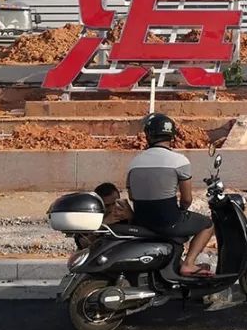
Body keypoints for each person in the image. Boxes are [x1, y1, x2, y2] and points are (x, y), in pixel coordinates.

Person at [126, 113, 215, 277]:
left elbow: (132, 195)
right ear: (172, 136)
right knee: (207, 224)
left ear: (148, 135)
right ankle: (188, 264)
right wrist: (181, 210)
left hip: (141, 220)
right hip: (167, 221)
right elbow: (187, 199)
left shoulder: (134, 162)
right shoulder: (179, 161)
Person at [76, 182, 134, 249]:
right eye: (107, 205)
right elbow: (83, 245)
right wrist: (102, 225)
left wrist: (131, 217)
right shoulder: (89, 218)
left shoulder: (124, 214)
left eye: (115, 203)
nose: (112, 209)